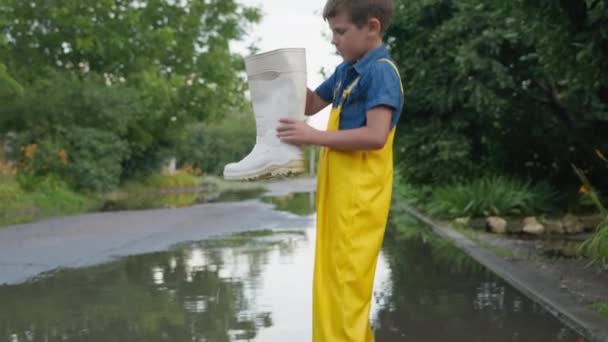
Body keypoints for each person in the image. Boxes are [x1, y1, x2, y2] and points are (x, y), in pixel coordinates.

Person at [276, 0, 404, 341]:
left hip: (359, 197)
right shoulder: (348, 70)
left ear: (372, 28)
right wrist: (276, 77)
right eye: (332, 31)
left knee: (346, 287)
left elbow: (377, 136)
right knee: (331, 281)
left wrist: (314, 136)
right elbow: (309, 104)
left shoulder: (380, 72)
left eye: (341, 31)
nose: (334, 40)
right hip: (339, 192)